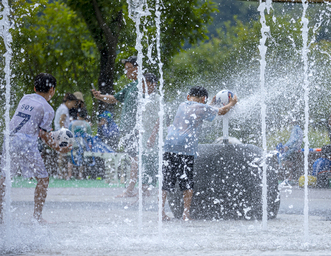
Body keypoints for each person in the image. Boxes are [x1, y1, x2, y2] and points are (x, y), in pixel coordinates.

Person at [0, 73, 71, 223]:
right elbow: (44, 135)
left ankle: (0, 215)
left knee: (4, 178)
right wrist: (59, 148)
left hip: (9, 139)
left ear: (34, 88)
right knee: (43, 179)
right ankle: (37, 216)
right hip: (26, 143)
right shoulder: (48, 109)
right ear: (52, 90)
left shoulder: (25, 98)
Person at [160, 86, 237, 221]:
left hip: (169, 146)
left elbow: (200, 110)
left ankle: (160, 212)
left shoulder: (183, 105)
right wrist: (232, 103)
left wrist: (210, 104)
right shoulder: (201, 108)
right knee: (187, 183)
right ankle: (185, 214)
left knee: (166, 182)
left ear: (189, 96)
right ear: (203, 99)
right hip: (185, 148)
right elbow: (222, 111)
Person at [91, 56, 158, 197]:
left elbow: (156, 112)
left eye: (128, 68)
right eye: (126, 68)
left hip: (138, 130)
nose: (126, 71)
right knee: (136, 158)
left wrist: (151, 132)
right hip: (128, 130)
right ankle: (141, 189)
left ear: (137, 69)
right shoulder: (131, 86)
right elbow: (115, 98)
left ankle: (132, 189)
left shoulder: (146, 86)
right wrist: (100, 97)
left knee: (136, 158)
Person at [67, 107, 92, 180]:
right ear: (86, 116)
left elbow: (68, 133)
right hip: (82, 144)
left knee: (70, 159)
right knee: (82, 159)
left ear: (78, 114)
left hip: (73, 143)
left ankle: (69, 175)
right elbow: (89, 135)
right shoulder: (87, 124)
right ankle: (80, 175)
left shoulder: (72, 123)